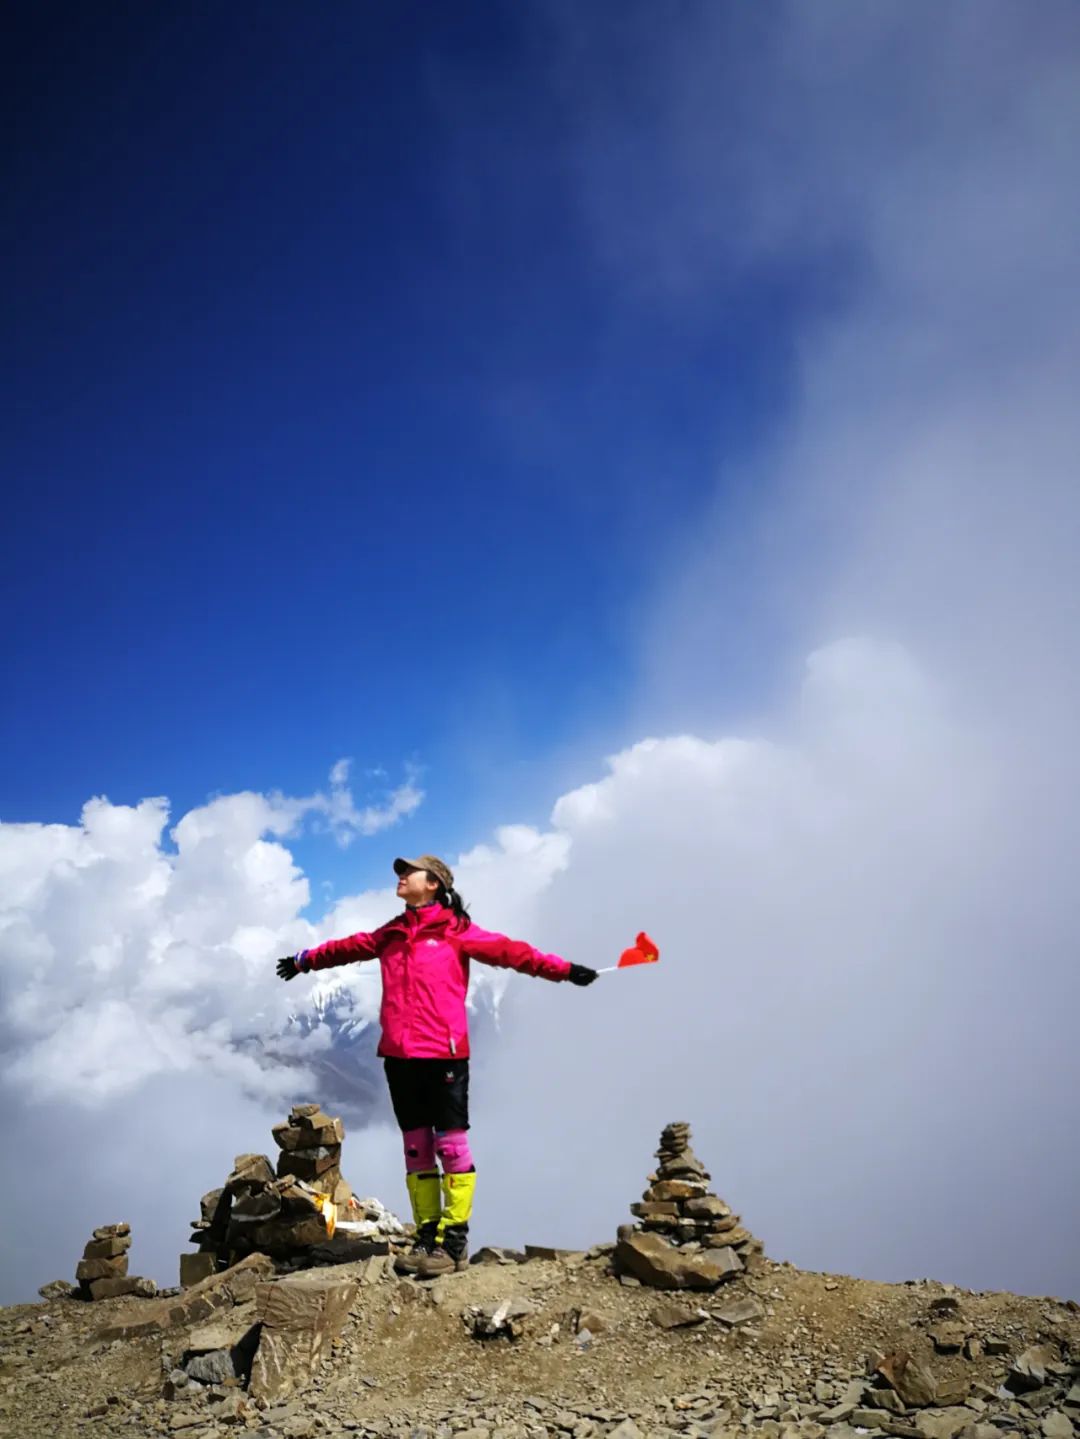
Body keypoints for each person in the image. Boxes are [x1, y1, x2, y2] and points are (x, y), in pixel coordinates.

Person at [276, 853, 597, 1277]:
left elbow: (512, 953)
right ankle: (427, 1236)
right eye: (400, 871)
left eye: (409, 872)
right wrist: (304, 961)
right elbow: (348, 947)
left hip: (444, 1053)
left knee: (451, 1146)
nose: (401, 877)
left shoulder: (456, 931)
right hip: (399, 1055)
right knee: (416, 1147)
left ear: (434, 885)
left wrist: (564, 970)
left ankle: (454, 1240)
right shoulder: (391, 933)